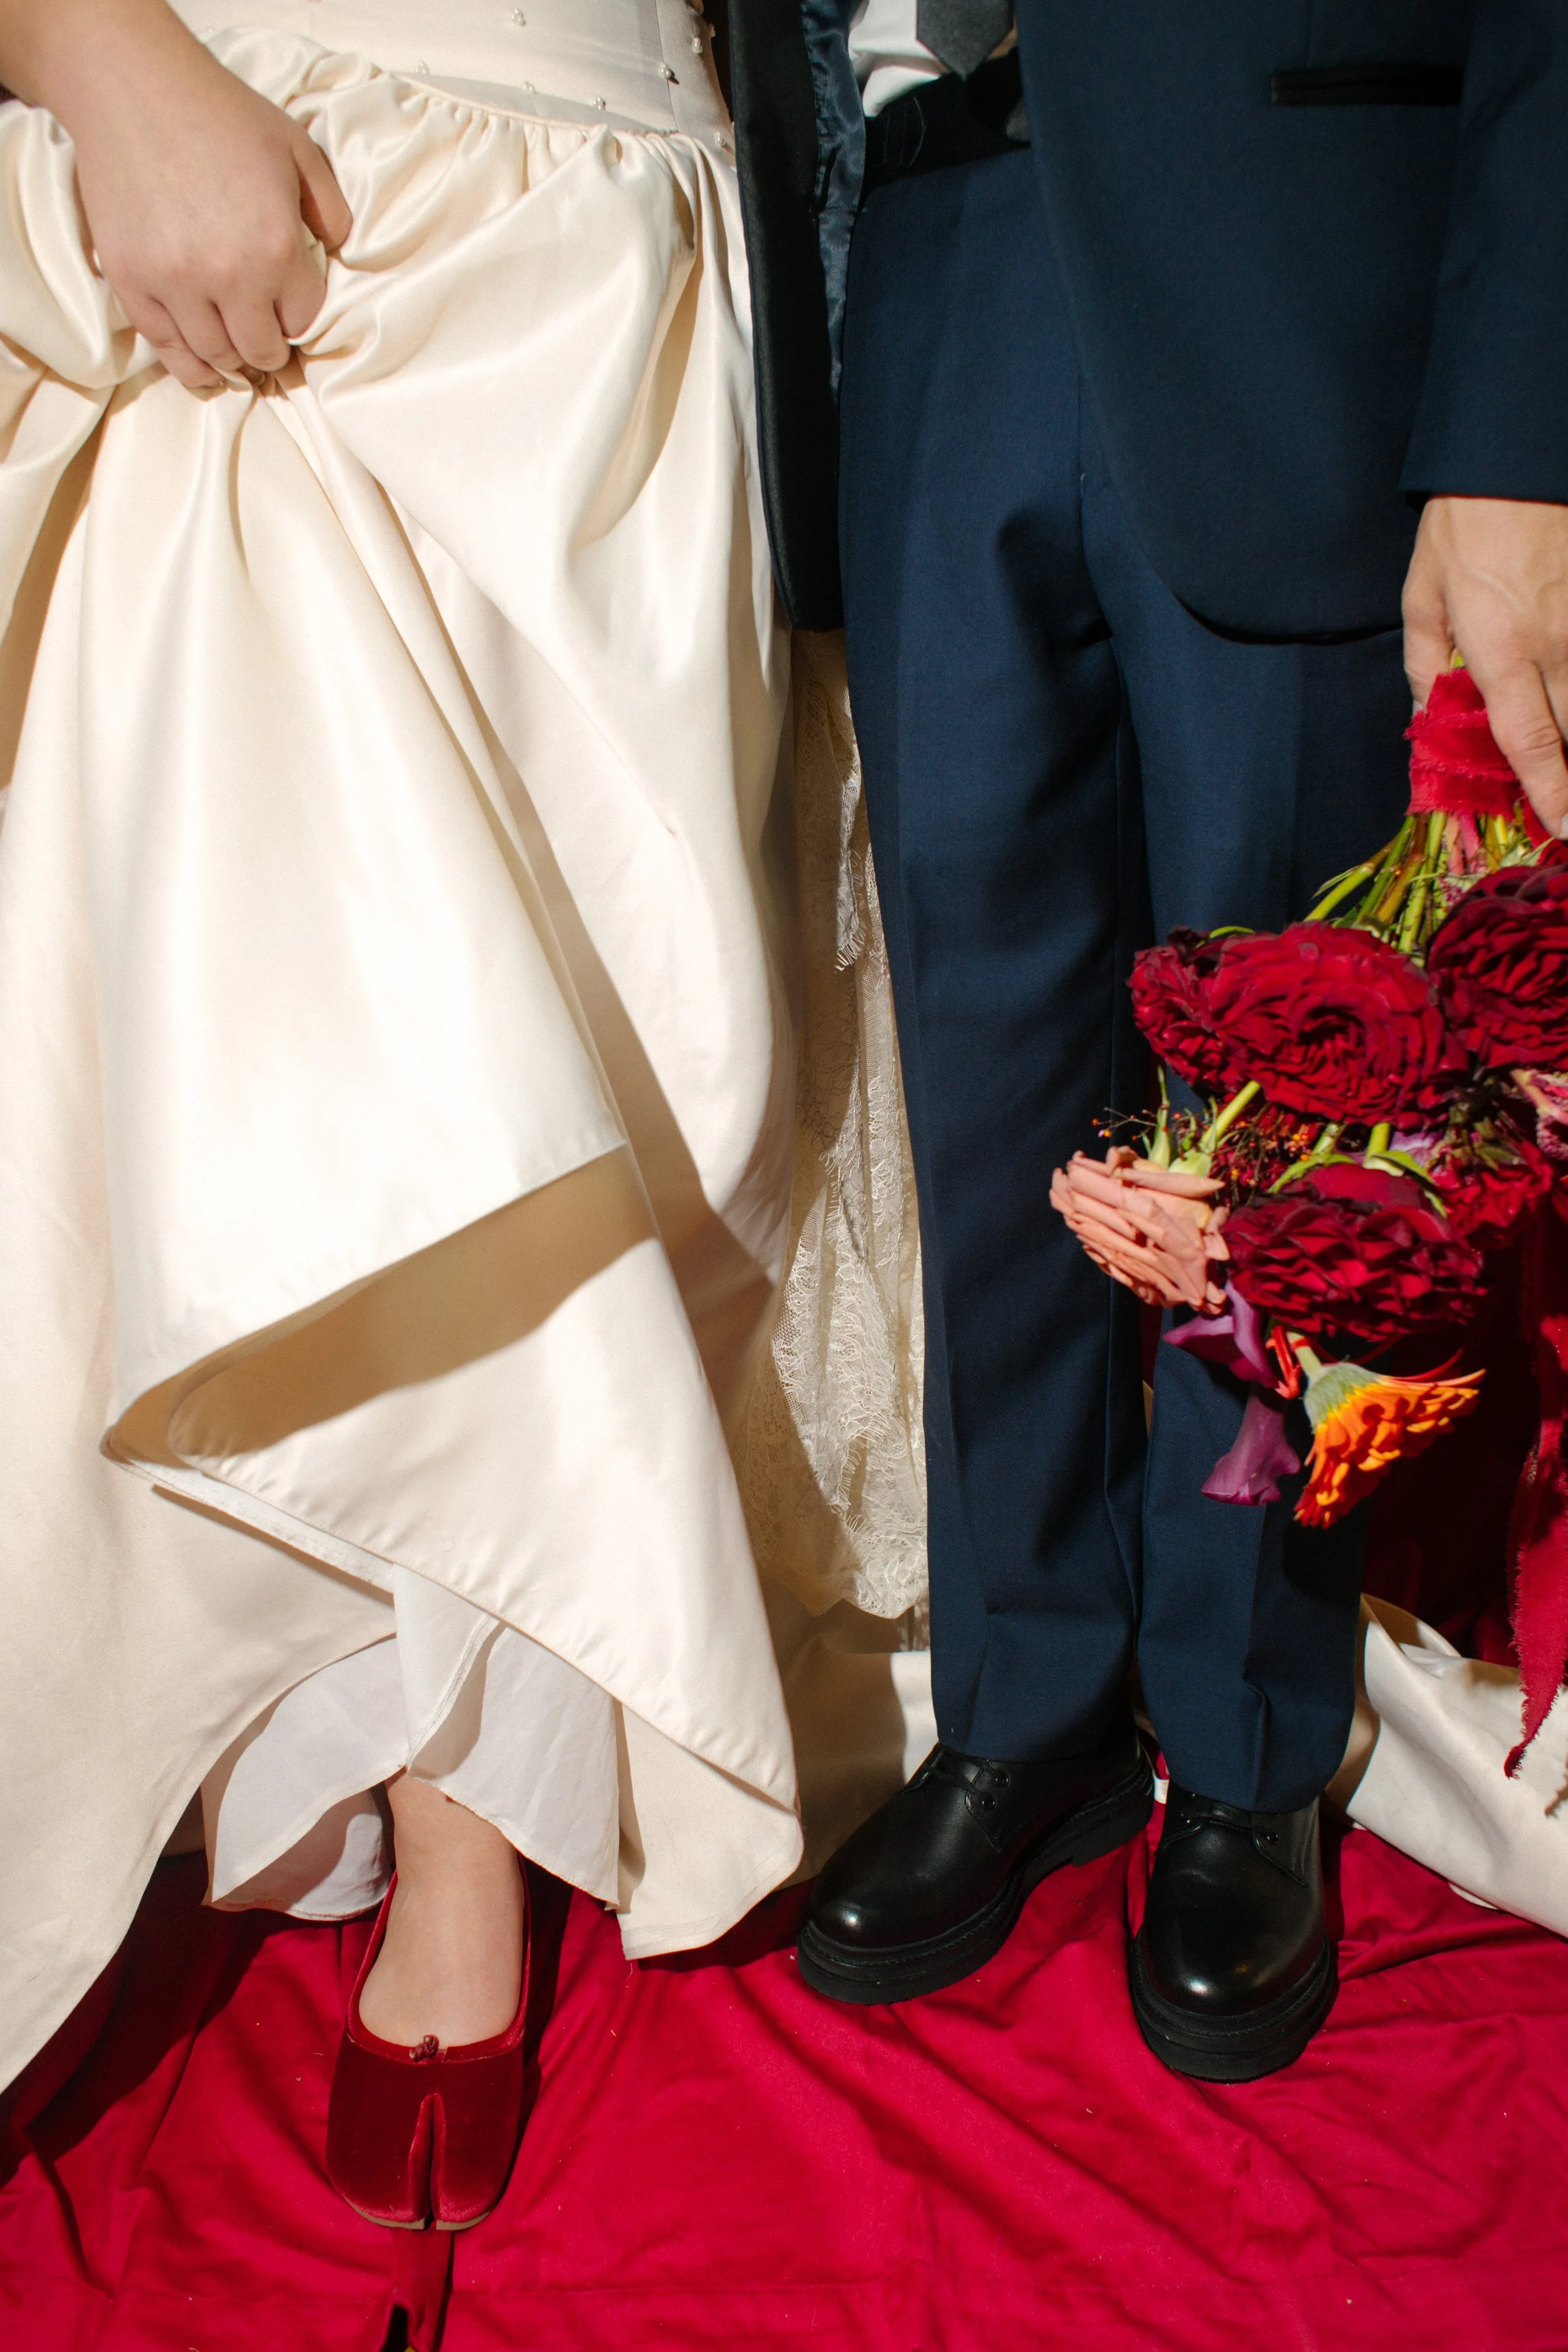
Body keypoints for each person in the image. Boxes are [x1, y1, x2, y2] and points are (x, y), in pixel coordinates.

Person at [0, 0, 806, 2230]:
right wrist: (86, 45)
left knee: (560, 1027)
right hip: (263, 166)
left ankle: (458, 1781)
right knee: (290, 1018)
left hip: (596, 233)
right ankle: (332, 1793)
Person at [729, 0, 1568, 2078]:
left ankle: (1246, 1728)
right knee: (986, 1073)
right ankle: (1025, 1698)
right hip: (919, 232)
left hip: (1298, 234)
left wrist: (1519, 422)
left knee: (1279, 1092)